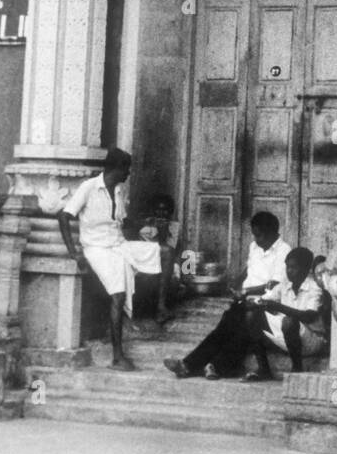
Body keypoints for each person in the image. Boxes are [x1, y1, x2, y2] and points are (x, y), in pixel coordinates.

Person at [58, 147, 175, 371]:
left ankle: (161, 307)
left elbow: (121, 222)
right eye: (127, 169)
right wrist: (74, 252)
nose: (129, 173)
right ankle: (117, 356)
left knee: (166, 252)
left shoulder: (119, 190)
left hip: (119, 245)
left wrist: (145, 225)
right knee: (118, 295)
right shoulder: (89, 187)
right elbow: (64, 216)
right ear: (116, 168)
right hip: (97, 249)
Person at [163, 210, 291, 379]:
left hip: (265, 304)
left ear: (272, 233)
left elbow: (275, 285)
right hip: (246, 300)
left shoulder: (284, 251)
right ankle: (189, 365)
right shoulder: (255, 246)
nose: (255, 239)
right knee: (223, 329)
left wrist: (247, 291)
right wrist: (237, 282)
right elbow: (249, 268)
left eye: (259, 235)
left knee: (242, 329)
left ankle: (211, 366)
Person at [244, 247, 328, 381]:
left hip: (312, 340)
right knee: (252, 316)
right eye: (287, 267)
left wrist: (279, 307)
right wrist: (251, 302)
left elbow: (308, 316)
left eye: (294, 268)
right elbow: (265, 299)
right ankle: (263, 369)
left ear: (306, 269)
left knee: (288, 321)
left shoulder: (314, 288)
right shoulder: (284, 285)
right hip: (289, 336)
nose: (289, 271)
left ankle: (297, 368)